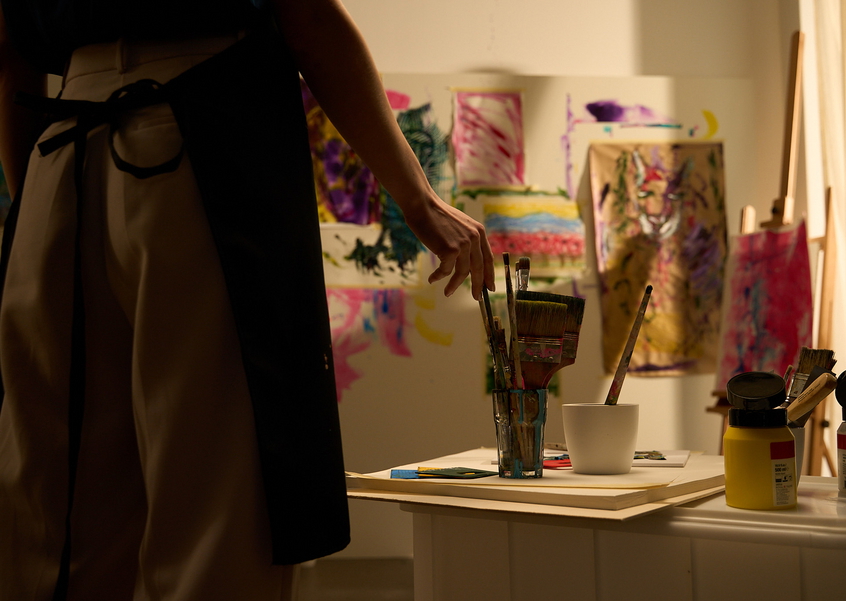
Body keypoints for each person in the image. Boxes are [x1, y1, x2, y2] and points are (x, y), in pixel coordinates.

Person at [0, 1, 495, 599]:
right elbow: (309, 18)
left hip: (60, 153)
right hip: (198, 134)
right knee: (219, 511)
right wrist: (419, 198)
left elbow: (11, 54)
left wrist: (38, 211)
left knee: (57, 517)